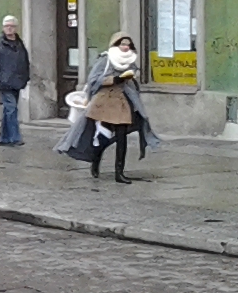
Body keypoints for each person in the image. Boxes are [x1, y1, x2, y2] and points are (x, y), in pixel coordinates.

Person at [59, 32, 162, 183]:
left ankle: (119, 173)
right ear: (116, 45)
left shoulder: (131, 61)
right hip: (104, 102)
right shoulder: (106, 59)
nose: (126, 47)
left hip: (122, 102)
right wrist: (116, 79)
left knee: (121, 137)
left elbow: (132, 79)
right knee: (104, 136)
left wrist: (131, 78)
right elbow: (94, 79)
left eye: (128, 44)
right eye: (122, 44)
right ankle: (95, 159)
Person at [0, 17, 32, 147]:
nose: (9, 28)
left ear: (16, 28)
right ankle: (15, 137)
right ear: (3, 28)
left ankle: (4, 138)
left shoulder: (19, 44)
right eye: (7, 26)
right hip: (4, 83)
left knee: (8, 110)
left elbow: (24, 61)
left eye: (12, 26)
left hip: (17, 82)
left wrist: (25, 77)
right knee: (11, 108)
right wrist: (0, 78)